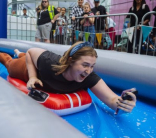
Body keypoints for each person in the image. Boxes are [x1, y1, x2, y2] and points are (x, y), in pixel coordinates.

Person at [0, 41, 136, 114]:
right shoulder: (50, 62)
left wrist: (124, 104)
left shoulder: (88, 76)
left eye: (92, 66)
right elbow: (31, 52)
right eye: (85, 65)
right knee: (9, 63)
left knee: (24, 56)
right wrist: (32, 77)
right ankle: (17, 56)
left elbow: (111, 99)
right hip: (27, 69)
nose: (89, 71)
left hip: (37, 63)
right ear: (70, 61)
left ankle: (19, 53)